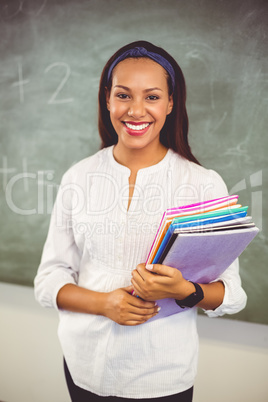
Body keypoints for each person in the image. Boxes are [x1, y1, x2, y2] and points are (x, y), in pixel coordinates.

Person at [34, 40, 247, 401]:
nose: (135, 110)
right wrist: (104, 304)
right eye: (123, 95)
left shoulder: (202, 184)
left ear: (170, 103)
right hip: (82, 367)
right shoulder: (79, 176)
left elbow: (232, 295)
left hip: (161, 378)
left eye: (151, 97)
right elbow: (49, 280)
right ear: (107, 99)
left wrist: (183, 291)